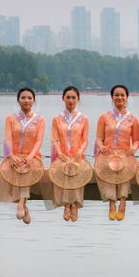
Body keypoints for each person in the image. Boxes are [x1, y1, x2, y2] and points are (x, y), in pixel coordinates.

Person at [1, 87, 45, 224]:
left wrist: (30, 157)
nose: (26, 100)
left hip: (33, 157)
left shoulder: (40, 120)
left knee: (25, 168)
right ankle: (24, 206)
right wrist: (11, 156)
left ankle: (20, 203)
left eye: (29, 98)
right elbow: (7, 139)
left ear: (34, 101)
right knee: (15, 169)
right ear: (18, 100)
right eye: (23, 98)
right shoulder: (11, 118)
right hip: (12, 156)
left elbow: (39, 140)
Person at [95, 85, 139, 221]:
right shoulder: (104, 116)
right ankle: (112, 204)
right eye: (116, 95)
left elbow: (137, 141)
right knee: (110, 168)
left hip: (125, 156)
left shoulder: (133, 118)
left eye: (122, 95)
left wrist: (133, 149)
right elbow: (98, 139)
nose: (119, 98)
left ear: (127, 97)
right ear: (112, 97)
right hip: (107, 156)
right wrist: (101, 147)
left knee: (123, 168)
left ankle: (123, 203)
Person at [51, 86, 89, 222]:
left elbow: (85, 141)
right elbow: (54, 140)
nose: (71, 100)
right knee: (64, 168)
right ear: (63, 98)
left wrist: (79, 152)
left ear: (78, 99)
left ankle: (74, 205)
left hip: (77, 156)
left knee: (75, 169)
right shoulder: (57, 119)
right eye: (68, 97)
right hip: (61, 156)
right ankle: (67, 205)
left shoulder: (84, 119)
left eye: (73, 97)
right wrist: (60, 153)